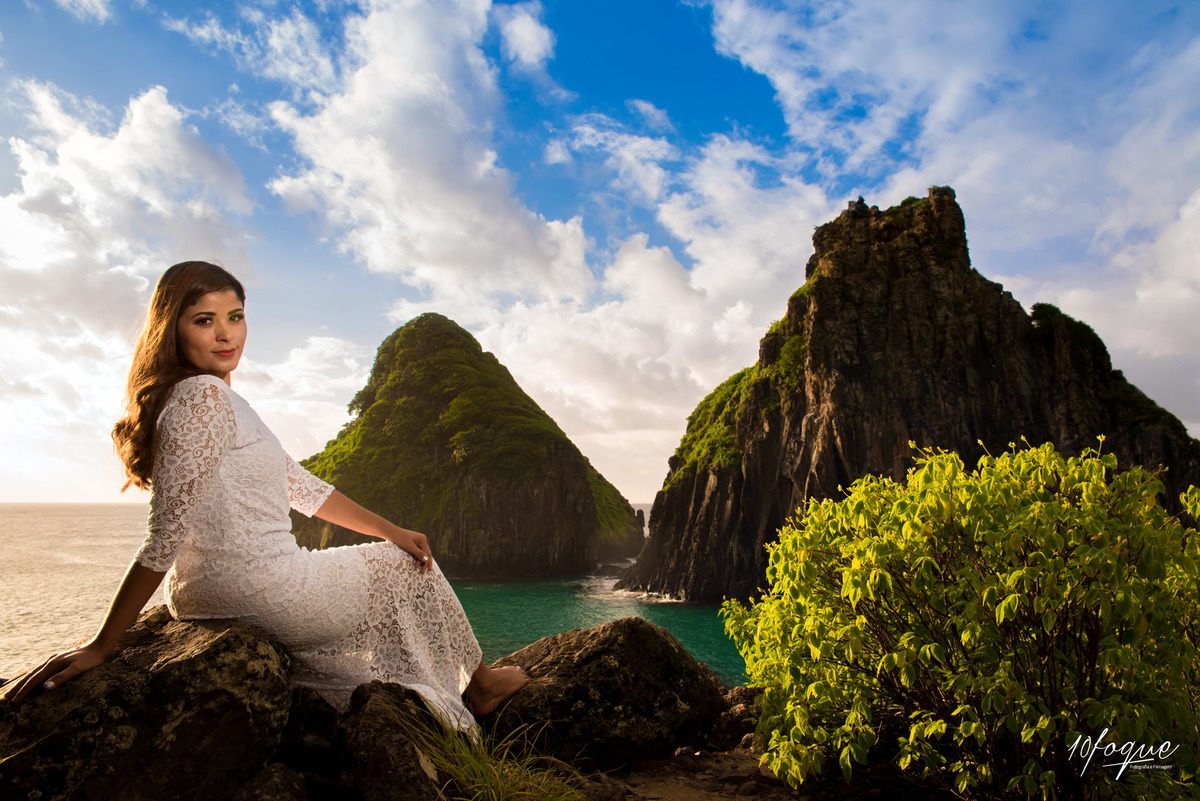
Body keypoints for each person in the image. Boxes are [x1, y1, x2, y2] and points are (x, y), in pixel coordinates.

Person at [0, 261, 527, 728]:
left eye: (235, 316)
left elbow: (302, 488)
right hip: (262, 589)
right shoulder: (203, 397)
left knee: (394, 550)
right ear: (172, 329)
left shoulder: (198, 397)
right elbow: (163, 537)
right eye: (204, 320)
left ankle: (452, 680)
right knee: (404, 566)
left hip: (204, 594)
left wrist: (390, 529)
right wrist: (102, 646)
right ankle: (480, 686)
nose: (226, 334)